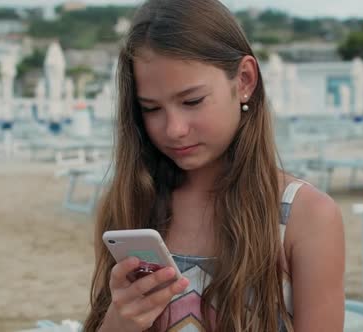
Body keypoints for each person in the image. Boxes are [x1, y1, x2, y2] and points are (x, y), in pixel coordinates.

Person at [84, 0, 345, 331]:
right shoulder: (130, 202)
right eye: (151, 109)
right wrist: (120, 321)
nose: (174, 128)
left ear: (245, 80)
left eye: (192, 101)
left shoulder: (305, 217)